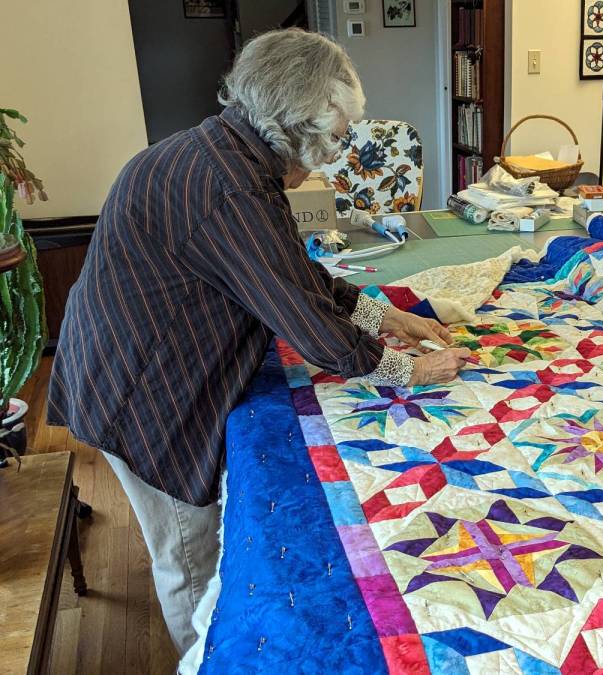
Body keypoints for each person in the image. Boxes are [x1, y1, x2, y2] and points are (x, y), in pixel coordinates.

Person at [47, 28, 470, 655]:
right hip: (142, 395)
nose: (337, 153)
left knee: (195, 543)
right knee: (191, 560)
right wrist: (409, 370)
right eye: (334, 135)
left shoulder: (220, 153)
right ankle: (205, 657)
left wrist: (386, 317)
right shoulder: (231, 187)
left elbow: (287, 271)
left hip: (119, 362)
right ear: (293, 125)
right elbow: (304, 319)